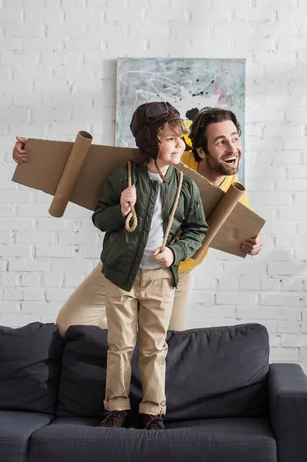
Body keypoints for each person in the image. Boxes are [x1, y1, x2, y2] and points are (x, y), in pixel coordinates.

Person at [12, 107, 263, 333]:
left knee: (170, 347)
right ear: (198, 149)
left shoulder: (234, 191)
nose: (233, 149)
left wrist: (253, 244)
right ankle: (125, 340)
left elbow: (244, 233)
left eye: (235, 139)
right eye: (221, 142)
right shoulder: (177, 150)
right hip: (127, 262)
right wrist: (32, 153)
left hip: (174, 272)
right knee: (70, 324)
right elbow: (155, 133)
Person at [92, 101, 208, 429]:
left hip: (160, 277)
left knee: (154, 346)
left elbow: (198, 230)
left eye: (180, 138)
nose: (181, 145)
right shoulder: (123, 176)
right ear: (150, 141)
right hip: (120, 275)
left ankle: (153, 411)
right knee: (120, 344)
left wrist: (174, 253)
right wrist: (120, 208)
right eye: (171, 139)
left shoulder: (186, 185)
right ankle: (115, 408)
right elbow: (100, 219)